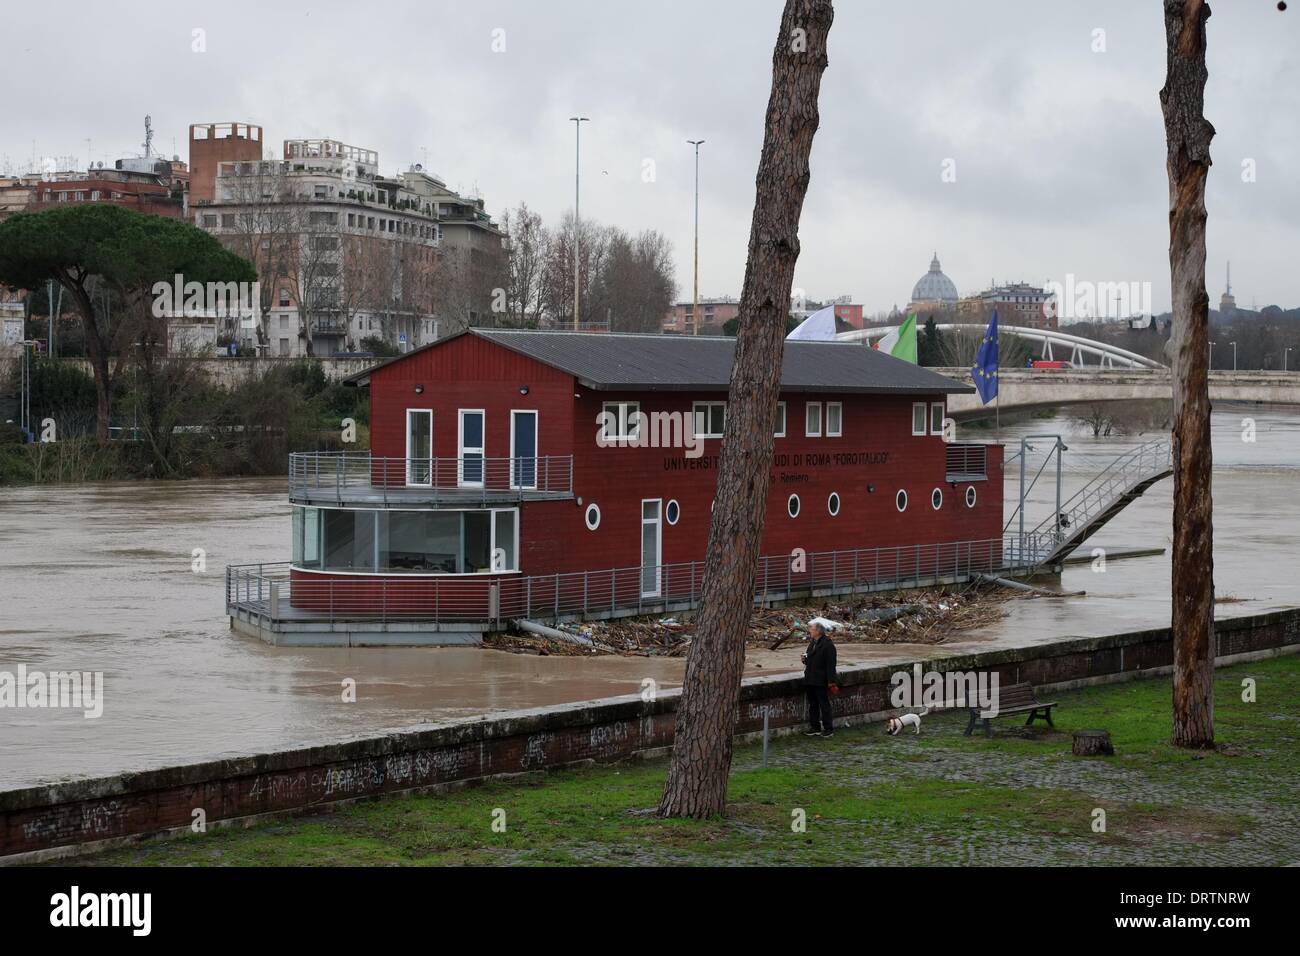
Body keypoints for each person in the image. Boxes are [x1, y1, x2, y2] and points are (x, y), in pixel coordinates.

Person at [801, 619, 839, 738]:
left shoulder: (828, 645)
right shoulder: (813, 642)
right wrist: (804, 659)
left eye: (811, 629)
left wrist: (831, 682)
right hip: (810, 678)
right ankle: (815, 727)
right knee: (813, 705)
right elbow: (809, 657)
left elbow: (830, 664)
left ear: (818, 631)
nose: (810, 631)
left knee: (824, 704)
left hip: (821, 680)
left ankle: (828, 728)